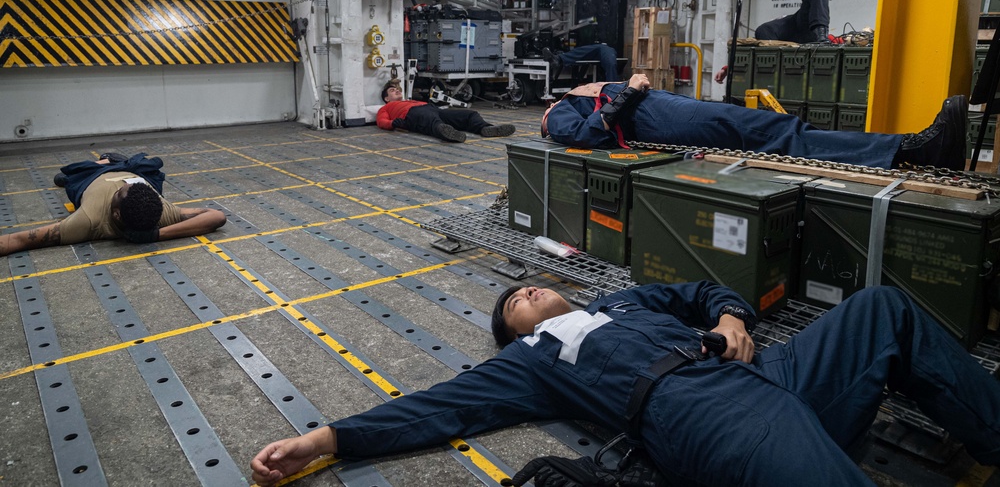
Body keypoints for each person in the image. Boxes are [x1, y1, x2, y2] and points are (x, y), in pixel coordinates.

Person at [250, 281, 1000, 486]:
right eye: (509, 308)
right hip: (699, 411)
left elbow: (705, 288)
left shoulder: (623, 300)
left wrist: (735, 314)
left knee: (882, 309)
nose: (520, 297)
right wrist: (325, 438)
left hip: (765, 367)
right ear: (518, 334)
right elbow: (438, 407)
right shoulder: (535, 357)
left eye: (527, 289)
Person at [541, 73, 968, 171]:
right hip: (656, 119)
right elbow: (585, 135)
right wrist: (631, 90)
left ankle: (902, 148)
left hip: (662, 109)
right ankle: (909, 148)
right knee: (775, 133)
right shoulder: (556, 115)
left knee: (777, 130)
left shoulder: (572, 99)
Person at [0, 152, 227, 256]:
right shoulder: (162, 212)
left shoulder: (89, 221)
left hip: (91, 179)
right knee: (147, 166)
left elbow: (18, 240)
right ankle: (116, 161)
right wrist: (157, 235)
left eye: (120, 191)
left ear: (116, 215)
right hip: (136, 172)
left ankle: (105, 162)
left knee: (70, 176)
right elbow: (216, 216)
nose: (122, 185)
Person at [377, 81, 515, 143]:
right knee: (432, 122)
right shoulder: (386, 108)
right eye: (392, 91)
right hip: (413, 114)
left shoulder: (410, 100)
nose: (397, 91)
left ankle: (485, 128)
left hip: (432, 108)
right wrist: (393, 123)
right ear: (386, 98)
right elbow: (381, 121)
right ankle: (446, 133)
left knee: (469, 114)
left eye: (398, 89)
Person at [755, 0, 831, 43]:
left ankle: (821, 33)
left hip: (808, 31)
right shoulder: (770, 29)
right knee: (764, 29)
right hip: (792, 31)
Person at [542, 43, 619, 83]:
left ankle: (614, 87)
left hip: (605, 48)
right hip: (600, 48)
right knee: (581, 52)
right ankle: (558, 59)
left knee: (610, 63)